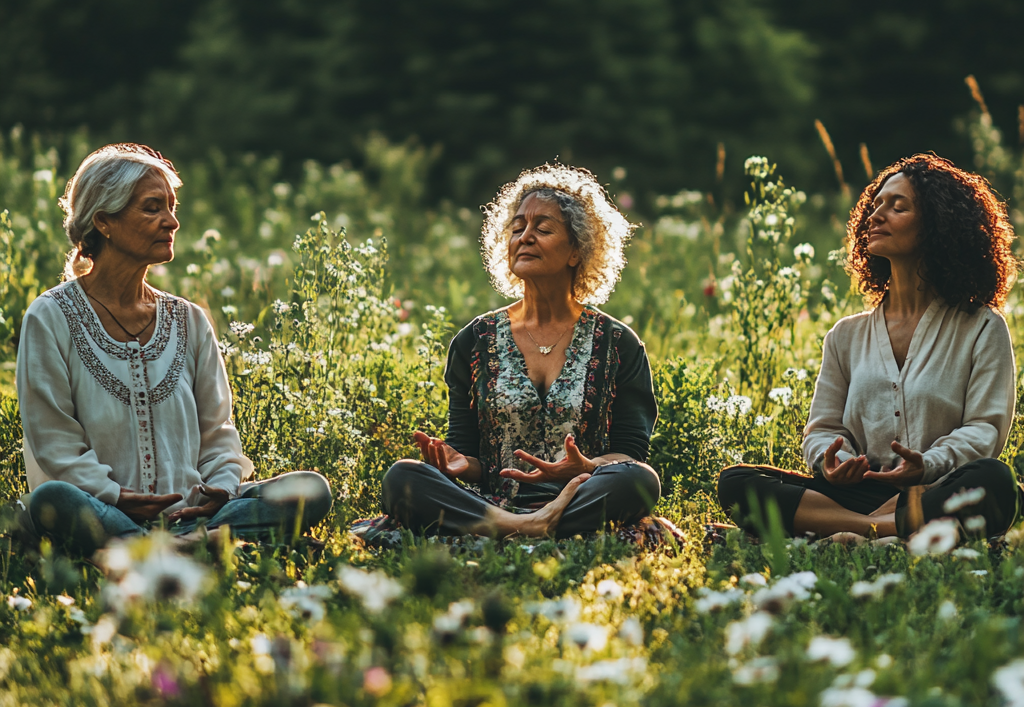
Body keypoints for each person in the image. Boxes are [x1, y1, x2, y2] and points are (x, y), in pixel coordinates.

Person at [16, 143, 332, 557]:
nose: (172, 221)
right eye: (152, 208)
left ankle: (169, 548)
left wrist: (219, 487)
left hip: (194, 513)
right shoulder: (50, 317)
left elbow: (217, 434)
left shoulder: (189, 320)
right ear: (104, 222)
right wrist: (116, 496)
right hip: (106, 509)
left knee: (312, 490)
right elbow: (55, 444)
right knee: (52, 499)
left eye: (171, 206)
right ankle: (200, 548)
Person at [718, 153, 1019, 542]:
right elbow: (823, 429)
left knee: (995, 480)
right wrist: (833, 464)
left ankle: (835, 531)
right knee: (738, 482)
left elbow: (983, 431)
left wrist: (926, 465)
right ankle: (885, 531)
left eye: (898, 206)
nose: (876, 216)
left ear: (938, 226)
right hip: (857, 494)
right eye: (876, 205)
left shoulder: (981, 326)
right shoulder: (845, 336)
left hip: (935, 489)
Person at [375, 163, 661, 539]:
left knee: (640, 480)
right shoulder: (473, 341)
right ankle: (527, 526)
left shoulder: (618, 343)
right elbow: (468, 452)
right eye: (517, 228)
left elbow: (630, 452)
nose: (524, 237)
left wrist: (586, 465)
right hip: (493, 501)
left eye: (542, 229)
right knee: (403, 477)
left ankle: (518, 527)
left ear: (578, 250)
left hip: (580, 495)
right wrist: (460, 463)